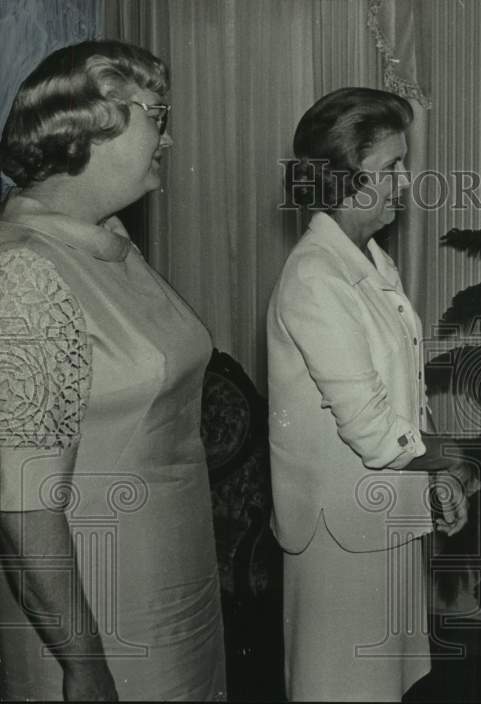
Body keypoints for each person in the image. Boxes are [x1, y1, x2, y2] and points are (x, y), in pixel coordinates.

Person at [0, 40, 226, 700]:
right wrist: (84, 665)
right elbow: (24, 510)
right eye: (156, 114)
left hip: (177, 583)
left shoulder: (111, 237)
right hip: (96, 614)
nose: (170, 136)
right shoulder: (22, 273)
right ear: (89, 125)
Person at [267, 87, 471, 702]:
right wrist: (452, 456)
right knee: (342, 687)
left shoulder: (372, 259)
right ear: (343, 180)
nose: (405, 182)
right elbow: (374, 431)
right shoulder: (314, 276)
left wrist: (436, 479)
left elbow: (402, 389)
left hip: (387, 515)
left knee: (385, 686)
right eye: (391, 169)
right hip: (341, 533)